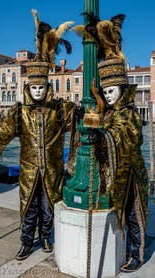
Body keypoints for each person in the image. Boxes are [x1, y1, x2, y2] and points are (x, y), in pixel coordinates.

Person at [0, 10, 83, 260]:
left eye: (42, 87)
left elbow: (81, 123)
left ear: (47, 88)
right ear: (29, 89)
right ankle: (27, 242)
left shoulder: (60, 110)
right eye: (35, 88)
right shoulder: (19, 113)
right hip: (29, 172)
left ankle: (47, 239)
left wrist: (87, 116)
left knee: (48, 207)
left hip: (51, 171)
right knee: (29, 208)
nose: (38, 91)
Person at [87, 58, 148, 273]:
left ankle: (137, 253)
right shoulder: (108, 113)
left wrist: (102, 136)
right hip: (115, 174)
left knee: (134, 213)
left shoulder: (130, 114)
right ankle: (130, 247)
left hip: (131, 173)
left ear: (121, 89)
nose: (109, 95)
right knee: (125, 213)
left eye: (112, 91)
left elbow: (124, 136)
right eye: (106, 92)